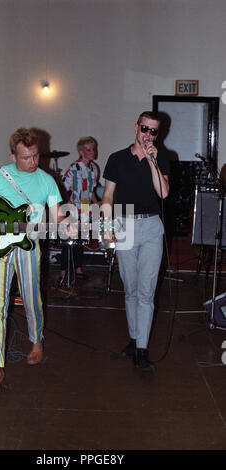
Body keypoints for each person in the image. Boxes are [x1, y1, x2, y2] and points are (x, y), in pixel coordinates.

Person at [0, 128, 67, 392]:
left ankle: (36, 342)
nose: (32, 163)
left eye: (35, 156)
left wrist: (70, 225)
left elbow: (58, 219)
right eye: (25, 158)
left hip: (30, 246)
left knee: (32, 299)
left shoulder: (47, 181)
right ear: (13, 156)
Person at [102, 111, 170, 370]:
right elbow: (107, 197)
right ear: (136, 128)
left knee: (146, 292)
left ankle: (142, 349)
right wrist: (107, 227)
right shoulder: (117, 159)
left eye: (154, 131)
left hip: (152, 226)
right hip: (125, 225)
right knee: (130, 288)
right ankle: (134, 339)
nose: (148, 135)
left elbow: (163, 192)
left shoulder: (161, 157)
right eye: (145, 129)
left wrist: (153, 161)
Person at [58, 136, 99, 285]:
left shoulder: (94, 169)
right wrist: (69, 204)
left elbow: (91, 191)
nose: (92, 152)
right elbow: (64, 189)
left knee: (81, 240)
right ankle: (63, 272)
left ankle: (78, 269)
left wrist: (98, 204)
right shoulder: (74, 168)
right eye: (89, 149)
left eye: (93, 149)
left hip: (87, 209)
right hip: (75, 208)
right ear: (82, 152)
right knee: (69, 240)